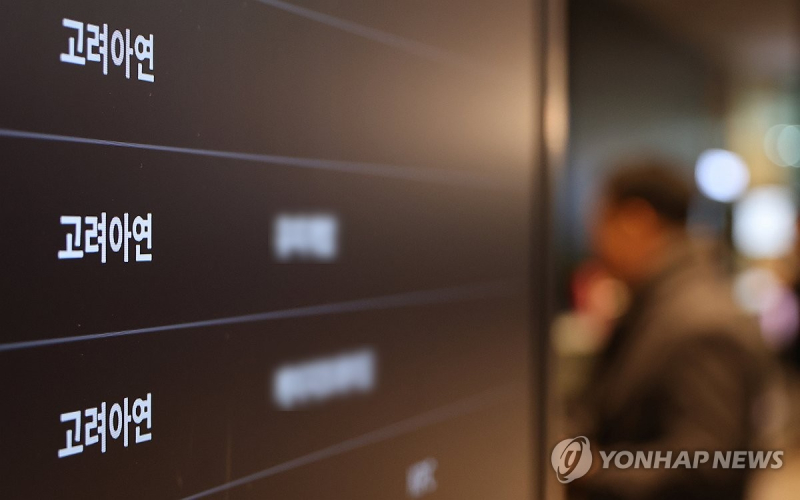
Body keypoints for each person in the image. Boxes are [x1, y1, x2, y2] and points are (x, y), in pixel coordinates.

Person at [568, 160, 771, 500]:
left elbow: (709, 463)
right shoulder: (661, 304)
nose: (594, 239)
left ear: (636, 221)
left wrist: (592, 472)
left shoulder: (699, 320)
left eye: (600, 221)